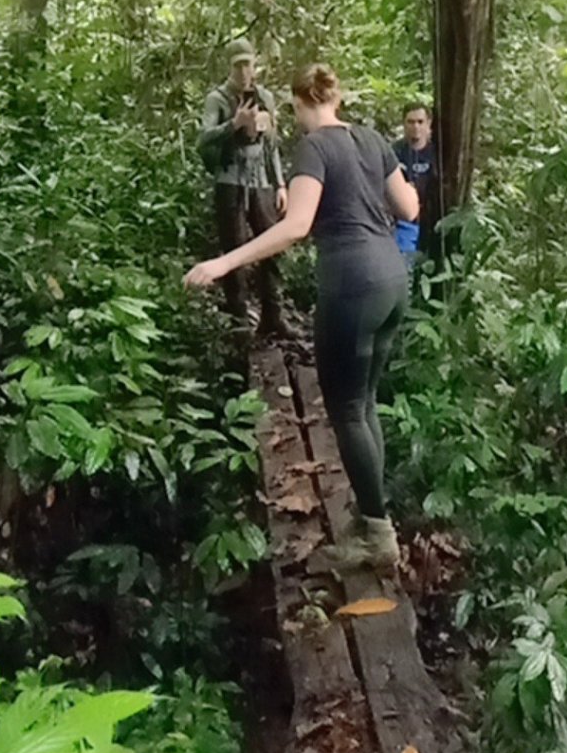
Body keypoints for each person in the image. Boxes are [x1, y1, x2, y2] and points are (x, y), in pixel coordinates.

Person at [186, 63, 418, 576]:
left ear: (300, 104)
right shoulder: (372, 138)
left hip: (353, 286)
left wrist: (224, 262)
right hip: (391, 280)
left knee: (347, 409)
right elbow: (410, 207)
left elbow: (296, 227)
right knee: (365, 403)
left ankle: (378, 536)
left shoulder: (313, 146)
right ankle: (373, 518)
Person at [198, 38, 288, 338]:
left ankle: (272, 316)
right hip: (230, 181)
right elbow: (203, 139)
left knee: (271, 246)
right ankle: (238, 320)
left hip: (260, 180)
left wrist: (280, 184)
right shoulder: (218, 99)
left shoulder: (265, 97)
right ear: (230, 66)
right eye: (238, 65)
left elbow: (272, 145)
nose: (244, 71)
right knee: (234, 248)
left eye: (248, 64)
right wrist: (233, 125)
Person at [394, 103, 437, 258]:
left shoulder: (437, 153)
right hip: (403, 223)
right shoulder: (394, 152)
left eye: (420, 122)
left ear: (428, 123)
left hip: (432, 221)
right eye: (410, 122)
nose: (415, 127)